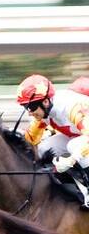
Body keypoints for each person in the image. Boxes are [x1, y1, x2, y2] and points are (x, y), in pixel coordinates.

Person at [17, 74, 89, 206]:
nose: (29, 112)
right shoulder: (45, 110)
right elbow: (31, 138)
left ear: (45, 101)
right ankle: (73, 187)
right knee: (45, 148)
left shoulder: (70, 106)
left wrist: (72, 159)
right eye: (26, 107)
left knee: (74, 146)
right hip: (80, 136)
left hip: (85, 137)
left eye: (31, 107)